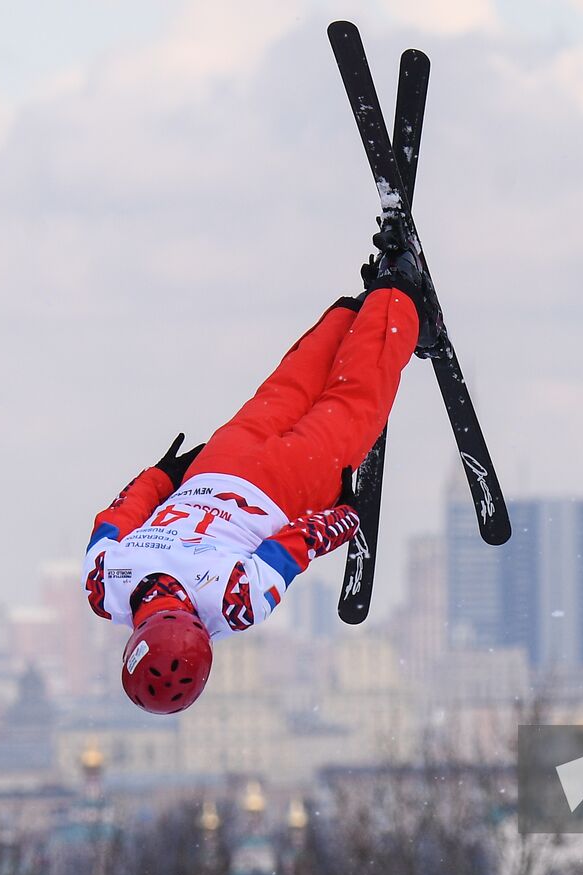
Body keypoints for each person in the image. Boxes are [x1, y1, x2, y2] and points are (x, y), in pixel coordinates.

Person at [83, 224, 439, 714]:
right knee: (289, 386)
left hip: (289, 483)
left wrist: (345, 516)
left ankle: (398, 293)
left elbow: (296, 543)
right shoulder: (104, 583)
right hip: (217, 464)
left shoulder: (234, 602)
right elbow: (118, 513)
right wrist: (165, 472)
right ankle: (354, 310)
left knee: (356, 400)